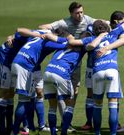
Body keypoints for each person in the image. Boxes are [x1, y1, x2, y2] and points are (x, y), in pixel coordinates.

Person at [69, 19, 124, 135]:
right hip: (112, 70)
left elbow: (76, 43)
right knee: (113, 104)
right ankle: (113, 133)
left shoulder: (91, 39)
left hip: (97, 72)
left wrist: (69, 36)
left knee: (97, 104)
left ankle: (97, 132)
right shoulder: (113, 34)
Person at [39, 2, 95, 131]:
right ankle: (66, 125)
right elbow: (44, 27)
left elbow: (103, 23)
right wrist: (48, 31)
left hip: (54, 66)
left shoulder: (88, 20)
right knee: (67, 95)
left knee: (73, 92)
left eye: (81, 12)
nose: (80, 15)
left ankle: (62, 124)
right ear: (71, 13)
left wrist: (58, 36)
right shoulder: (64, 23)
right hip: (66, 65)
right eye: (77, 13)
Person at [11, 28, 69, 135]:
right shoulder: (50, 42)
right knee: (23, 99)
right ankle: (15, 131)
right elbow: (67, 44)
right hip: (25, 66)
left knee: (30, 96)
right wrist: (61, 39)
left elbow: (19, 31)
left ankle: (32, 127)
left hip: (17, 62)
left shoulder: (40, 33)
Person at [0, 32, 31, 135]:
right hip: (3, 59)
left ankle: (10, 126)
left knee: (11, 93)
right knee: (4, 92)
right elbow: (19, 33)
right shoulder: (35, 36)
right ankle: (2, 128)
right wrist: (12, 36)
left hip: (13, 61)